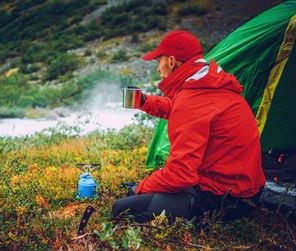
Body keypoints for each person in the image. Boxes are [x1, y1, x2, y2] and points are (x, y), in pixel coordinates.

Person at [112, 30, 266, 223]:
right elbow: (181, 108)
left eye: (157, 61)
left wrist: (140, 187)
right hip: (246, 189)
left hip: (225, 198)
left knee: (121, 209)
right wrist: (143, 101)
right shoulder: (208, 83)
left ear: (171, 61)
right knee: (143, 194)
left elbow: (180, 175)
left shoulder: (192, 99)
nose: (158, 69)